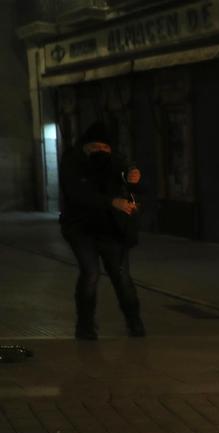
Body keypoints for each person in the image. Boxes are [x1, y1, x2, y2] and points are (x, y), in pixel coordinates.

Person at [58, 121, 145, 340]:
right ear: (85, 146)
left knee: (121, 275)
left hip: (111, 228)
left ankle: (135, 323)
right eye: (94, 148)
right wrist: (111, 202)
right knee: (91, 273)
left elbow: (131, 180)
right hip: (81, 228)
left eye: (104, 148)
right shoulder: (72, 161)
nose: (100, 153)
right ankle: (85, 327)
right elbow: (77, 193)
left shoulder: (116, 161)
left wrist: (133, 178)